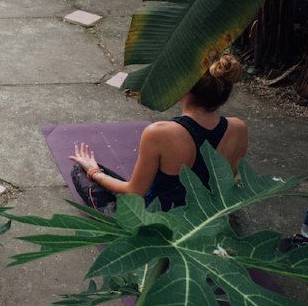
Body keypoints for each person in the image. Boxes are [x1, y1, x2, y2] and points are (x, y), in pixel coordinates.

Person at [70, 54, 249, 212]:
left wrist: (94, 172)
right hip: (204, 219)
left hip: (158, 224)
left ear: (184, 89)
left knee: (79, 170)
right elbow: (225, 185)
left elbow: (134, 192)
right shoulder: (239, 129)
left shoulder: (160, 133)